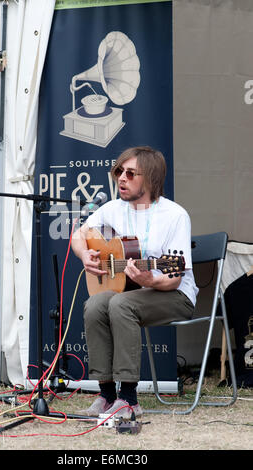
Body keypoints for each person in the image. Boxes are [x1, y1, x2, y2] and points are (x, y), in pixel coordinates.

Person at [71, 146, 198, 419]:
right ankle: (106, 396)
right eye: (119, 172)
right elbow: (79, 234)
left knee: (120, 304)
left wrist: (149, 278)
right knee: (95, 304)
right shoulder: (112, 209)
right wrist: (84, 254)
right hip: (133, 291)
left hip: (174, 294)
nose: (121, 178)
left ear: (150, 179)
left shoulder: (175, 216)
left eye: (130, 173)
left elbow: (174, 278)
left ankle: (129, 399)